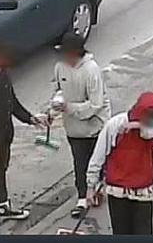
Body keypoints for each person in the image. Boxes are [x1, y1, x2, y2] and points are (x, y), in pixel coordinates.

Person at [0, 39, 48, 234]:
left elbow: (11, 101)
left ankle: (3, 205)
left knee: (0, 169)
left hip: (4, 133)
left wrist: (30, 118)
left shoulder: (2, 71)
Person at [85, 92, 153, 235]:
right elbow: (98, 155)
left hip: (142, 191)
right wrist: (91, 186)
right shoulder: (115, 125)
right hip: (118, 190)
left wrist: (141, 127)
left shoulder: (150, 126)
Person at [50, 32, 112, 218]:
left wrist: (69, 108)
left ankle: (97, 188)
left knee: (96, 162)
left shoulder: (91, 70)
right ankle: (83, 198)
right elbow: (58, 90)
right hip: (73, 128)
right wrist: (53, 108)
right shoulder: (60, 67)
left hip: (94, 127)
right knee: (80, 162)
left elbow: (96, 104)